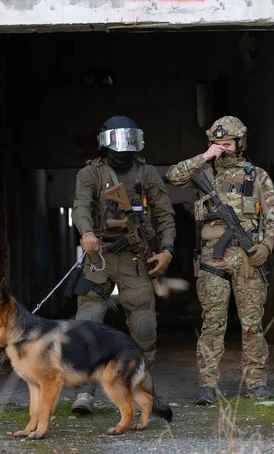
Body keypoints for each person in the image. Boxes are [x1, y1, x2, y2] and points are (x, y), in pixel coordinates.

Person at [166, 116, 274, 403]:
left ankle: (256, 383)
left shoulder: (257, 176)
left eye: (227, 144)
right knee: (212, 325)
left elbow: (273, 217)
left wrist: (266, 246)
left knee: (252, 324)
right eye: (217, 145)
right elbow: (172, 176)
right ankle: (208, 385)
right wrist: (205, 157)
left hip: (247, 260)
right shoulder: (203, 172)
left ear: (241, 143)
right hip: (212, 263)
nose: (223, 150)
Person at [70, 115, 177, 414]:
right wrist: (87, 233)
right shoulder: (90, 173)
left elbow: (165, 215)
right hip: (100, 256)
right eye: (119, 140)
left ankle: (143, 391)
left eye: (130, 140)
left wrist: (166, 251)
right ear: (106, 142)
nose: (124, 148)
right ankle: (84, 391)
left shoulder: (147, 174)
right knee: (88, 323)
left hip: (134, 258)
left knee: (144, 327)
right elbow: (80, 206)